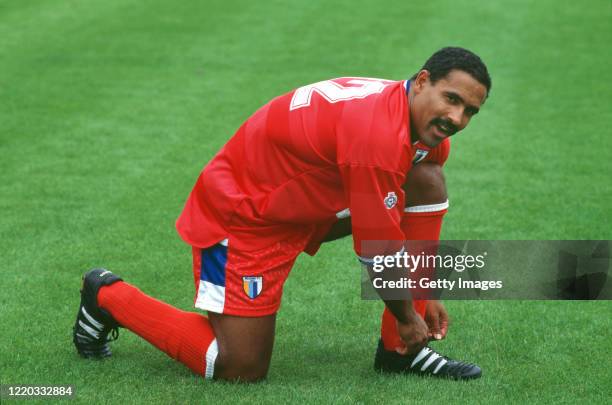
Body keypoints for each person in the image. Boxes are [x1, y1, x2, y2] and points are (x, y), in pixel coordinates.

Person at [73, 47, 491, 382]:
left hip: (303, 204)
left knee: (425, 179)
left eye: (470, 111)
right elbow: (378, 254)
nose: (457, 118)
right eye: (451, 99)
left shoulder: (421, 125)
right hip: (244, 217)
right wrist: (409, 315)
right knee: (240, 368)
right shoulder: (378, 137)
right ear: (421, 82)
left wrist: (424, 294)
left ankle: (402, 353)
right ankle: (108, 296)